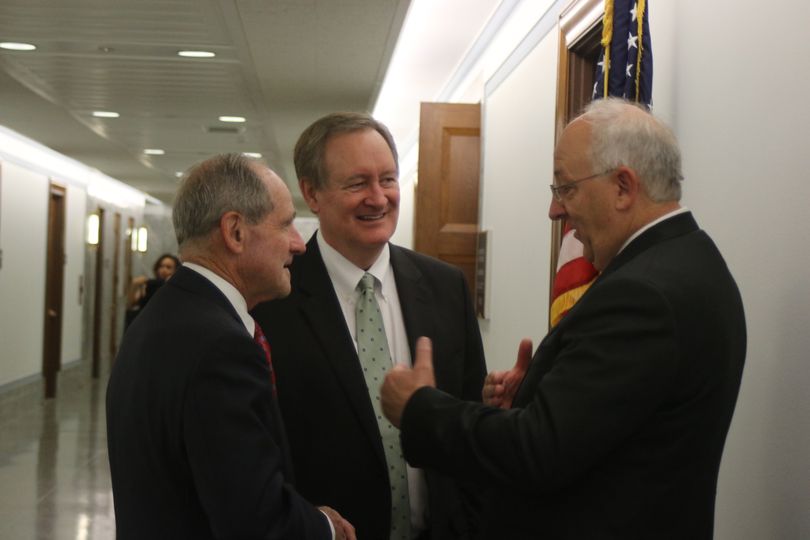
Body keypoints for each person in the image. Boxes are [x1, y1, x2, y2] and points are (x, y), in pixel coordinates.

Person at [380, 98, 747, 539]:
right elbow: (602, 428)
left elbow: (537, 452)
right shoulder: (690, 260)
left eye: (565, 188)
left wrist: (420, 408)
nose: (555, 211)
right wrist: (534, 398)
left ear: (624, 187)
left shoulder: (642, 295)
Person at [251, 112, 487, 540]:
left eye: (388, 180)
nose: (378, 198)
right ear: (312, 193)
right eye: (357, 184)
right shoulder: (272, 300)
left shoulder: (445, 286)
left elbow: (467, 419)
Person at [106, 153, 355, 540]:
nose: (298, 244)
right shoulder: (220, 347)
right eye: (286, 224)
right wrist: (326, 528)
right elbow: (254, 520)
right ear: (235, 231)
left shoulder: (165, 315)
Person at [124, 253, 180, 328]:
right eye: (161, 266)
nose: (164, 270)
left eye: (168, 267)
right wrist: (134, 285)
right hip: (144, 325)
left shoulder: (176, 289)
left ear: (175, 270)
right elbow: (130, 304)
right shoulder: (148, 286)